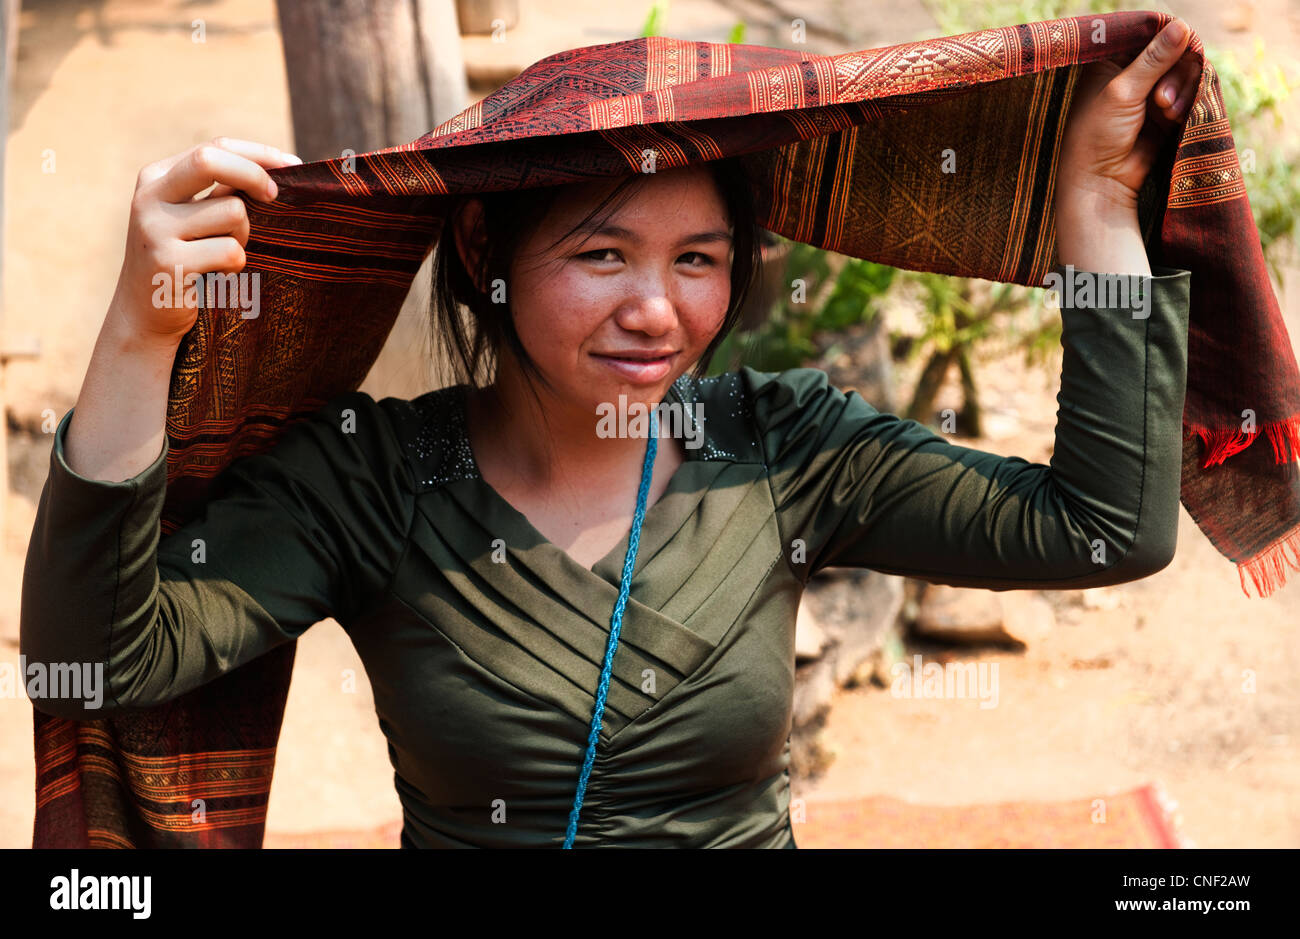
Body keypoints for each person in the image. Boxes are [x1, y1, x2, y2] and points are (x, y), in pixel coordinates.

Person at [21, 20, 1199, 847]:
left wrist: (1093, 216)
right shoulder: (375, 482)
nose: (656, 309)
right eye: (600, 254)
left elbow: (1103, 529)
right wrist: (136, 338)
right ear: (486, 259)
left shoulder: (788, 449)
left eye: (698, 259)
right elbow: (98, 661)